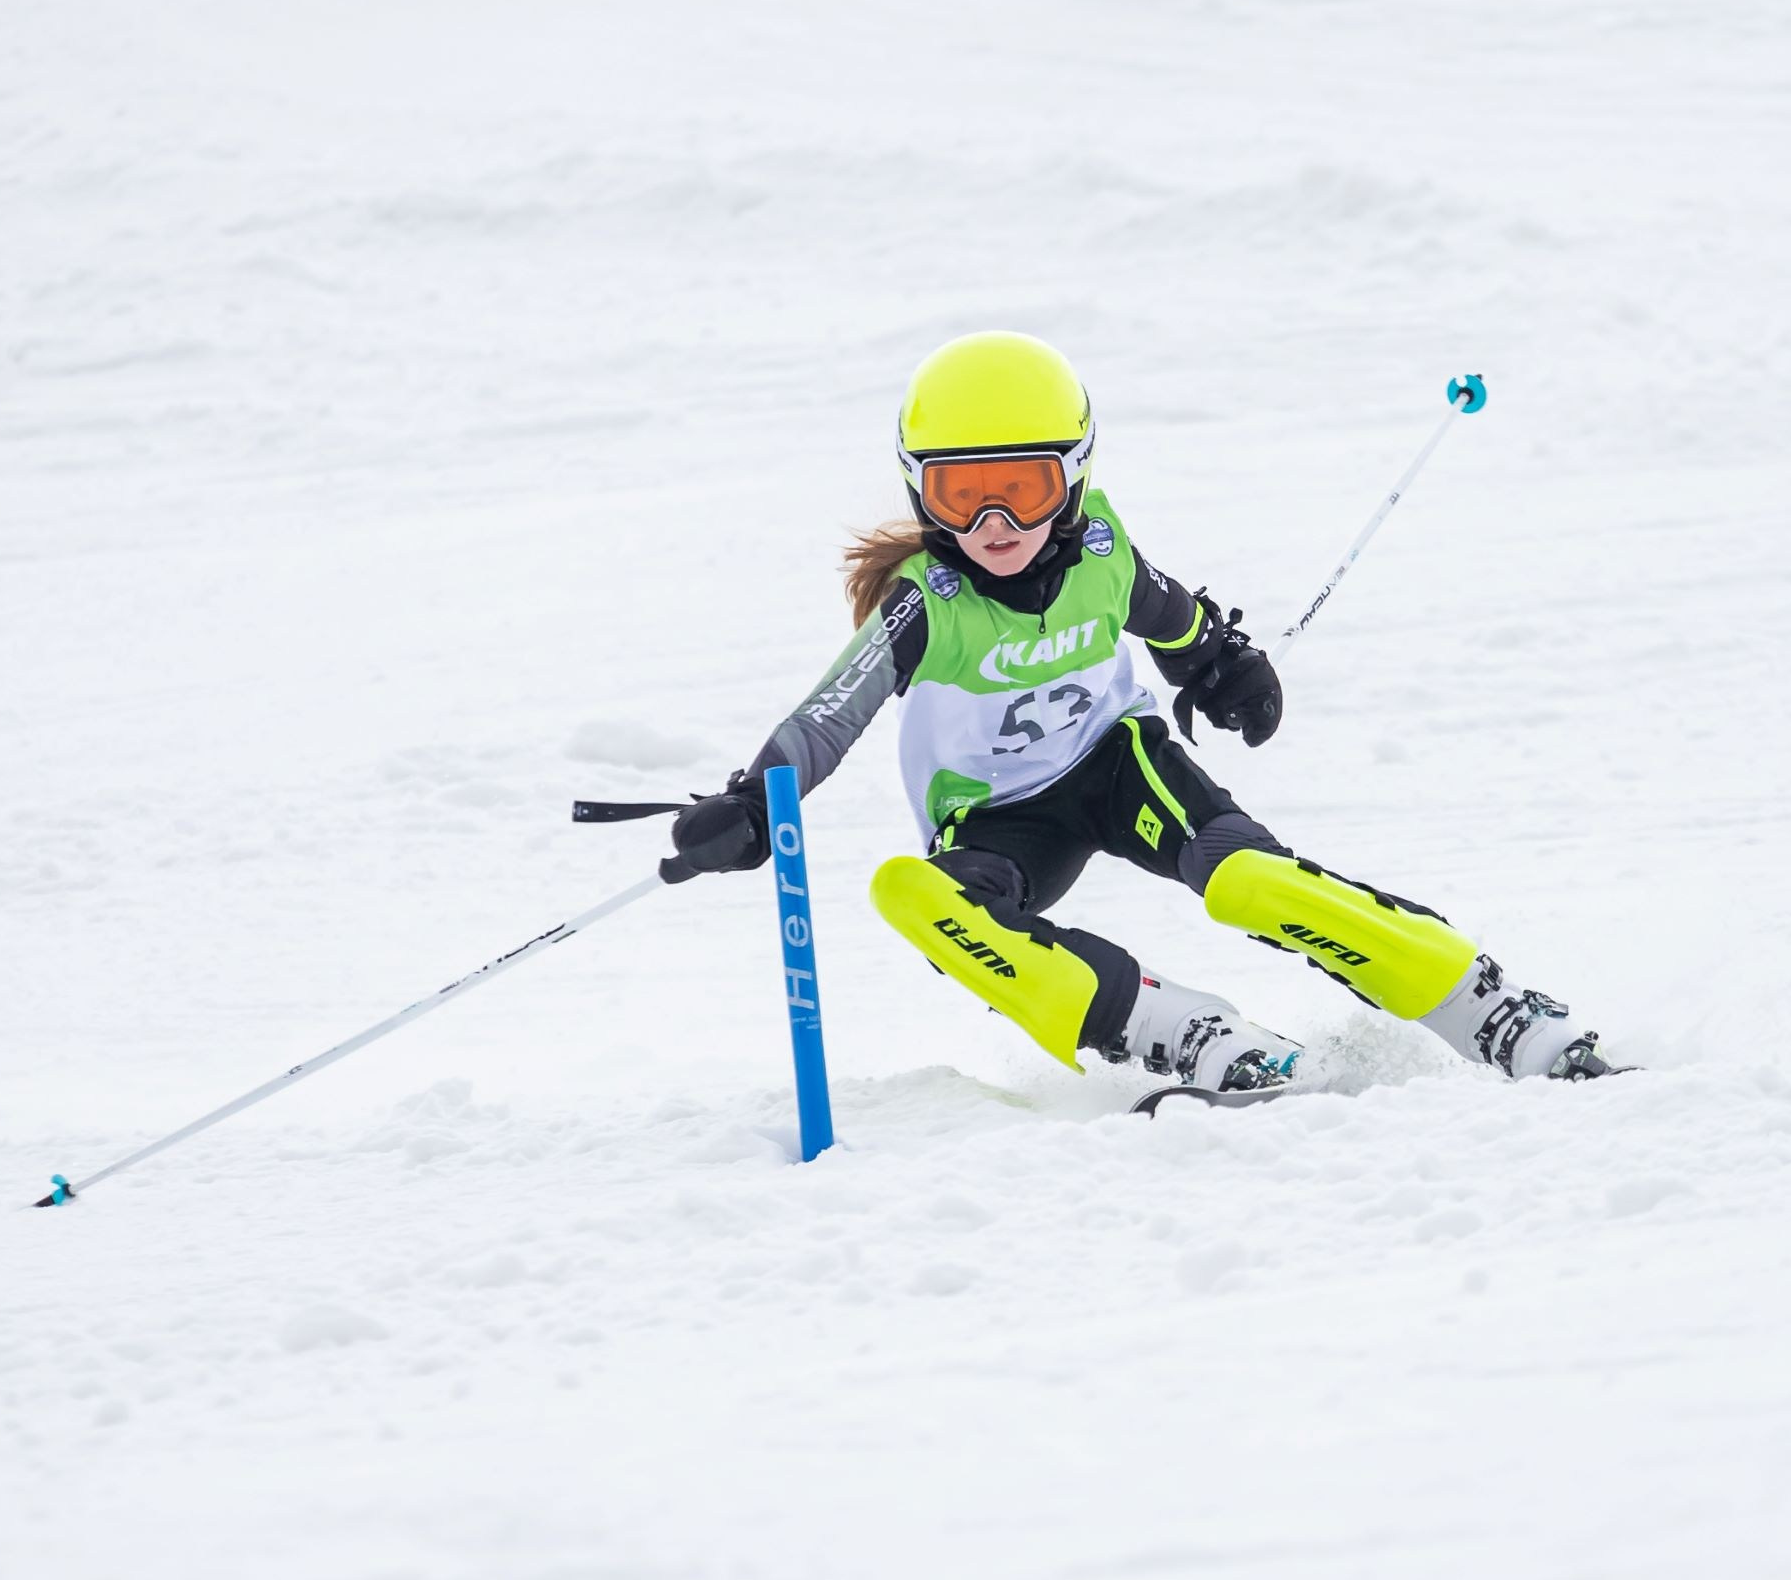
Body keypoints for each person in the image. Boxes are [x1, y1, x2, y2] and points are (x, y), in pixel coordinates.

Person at [666, 331, 1619, 1095]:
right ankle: (1169, 1027)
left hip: (1121, 766)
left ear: (1074, 478)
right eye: (962, 494)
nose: (993, 526)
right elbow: (830, 715)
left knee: (1247, 881)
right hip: (999, 822)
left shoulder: (1100, 547)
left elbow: (1167, 610)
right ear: (921, 488)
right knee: (912, 894)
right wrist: (756, 799)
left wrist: (1217, 662)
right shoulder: (929, 602)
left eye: (1024, 488)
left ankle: (1488, 1004)